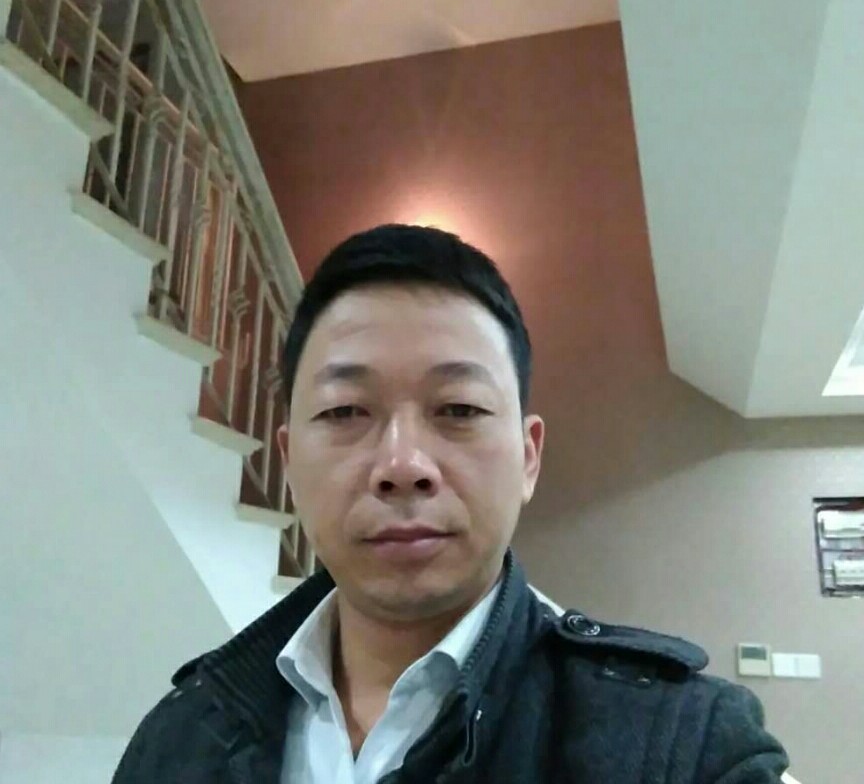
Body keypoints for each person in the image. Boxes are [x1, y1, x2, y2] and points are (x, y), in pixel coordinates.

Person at [112, 224, 790, 783]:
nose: (402, 466)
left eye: (459, 409)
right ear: (288, 461)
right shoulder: (181, 736)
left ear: (528, 457)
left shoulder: (677, 746)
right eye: (345, 411)